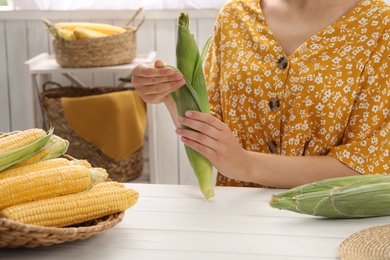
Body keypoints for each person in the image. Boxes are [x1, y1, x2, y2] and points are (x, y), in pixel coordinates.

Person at [131, 0, 390, 188]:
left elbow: (365, 165)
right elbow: (211, 126)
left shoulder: (380, 26)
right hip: (236, 218)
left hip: (324, 220)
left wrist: (245, 164)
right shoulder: (235, 15)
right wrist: (168, 94)